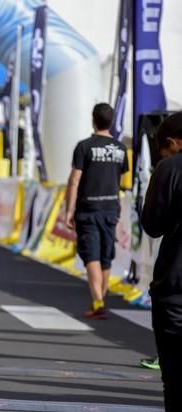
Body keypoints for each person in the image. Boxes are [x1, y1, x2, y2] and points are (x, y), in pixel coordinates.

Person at [65, 103, 129, 319]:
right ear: (111, 121)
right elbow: (120, 180)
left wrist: (68, 209)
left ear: (93, 120)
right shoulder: (121, 149)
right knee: (106, 255)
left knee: (91, 254)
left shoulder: (84, 147)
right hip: (111, 208)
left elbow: (74, 179)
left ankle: (97, 301)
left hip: (88, 207)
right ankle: (100, 298)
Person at [141, 111, 182, 412]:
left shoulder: (170, 168)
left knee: (176, 382)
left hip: (176, 291)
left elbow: (152, 224)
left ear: (172, 143)